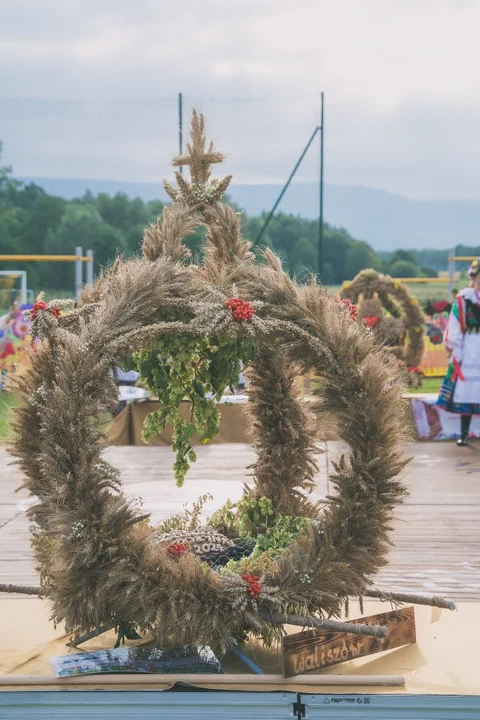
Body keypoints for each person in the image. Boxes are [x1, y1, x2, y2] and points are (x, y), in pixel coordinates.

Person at [437, 259, 480, 445]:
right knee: (467, 391)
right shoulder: (464, 300)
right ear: (474, 277)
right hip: (469, 347)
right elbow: (454, 326)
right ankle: (464, 433)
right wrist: (456, 350)